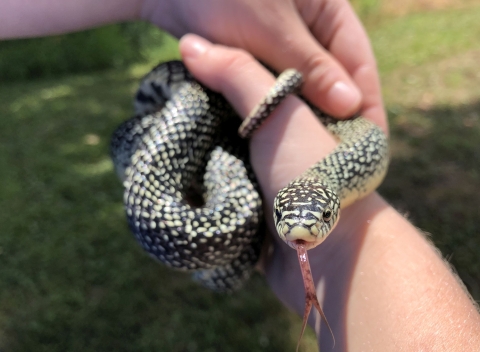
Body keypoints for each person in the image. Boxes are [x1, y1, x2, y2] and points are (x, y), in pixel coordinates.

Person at [2, 1, 479, 350]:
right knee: (159, 124)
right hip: (190, 122)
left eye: (324, 221)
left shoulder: (354, 155)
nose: (301, 235)